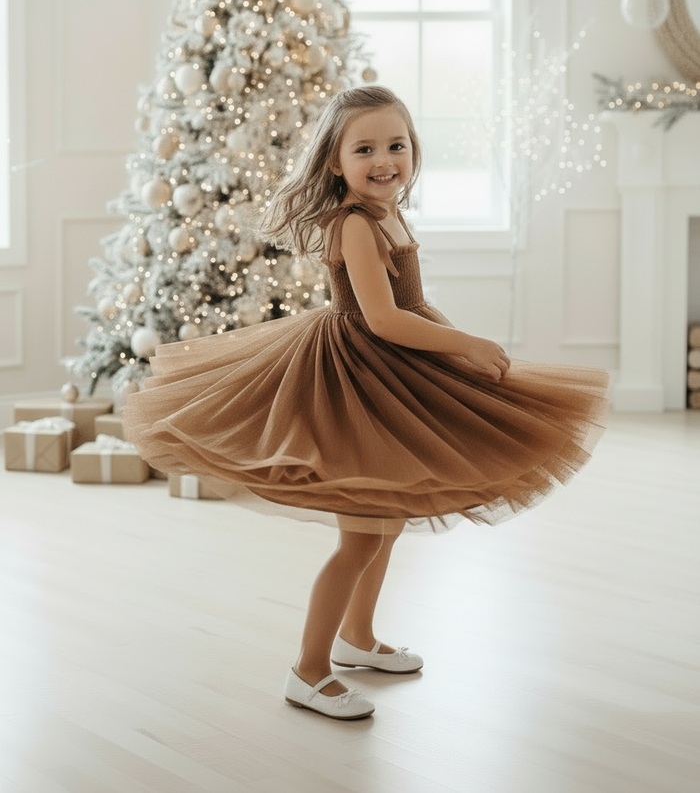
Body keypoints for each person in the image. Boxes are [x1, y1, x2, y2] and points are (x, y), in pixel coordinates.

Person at [124, 85, 609, 721]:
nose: (384, 159)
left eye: (396, 145)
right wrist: (463, 343)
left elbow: (410, 308)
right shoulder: (352, 223)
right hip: (355, 375)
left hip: (395, 374)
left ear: (413, 150)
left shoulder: (390, 212)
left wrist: (449, 346)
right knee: (359, 539)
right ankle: (309, 670)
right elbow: (382, 319)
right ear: (335, 161)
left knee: (387, 519)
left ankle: (357, 639)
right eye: (365, 149)